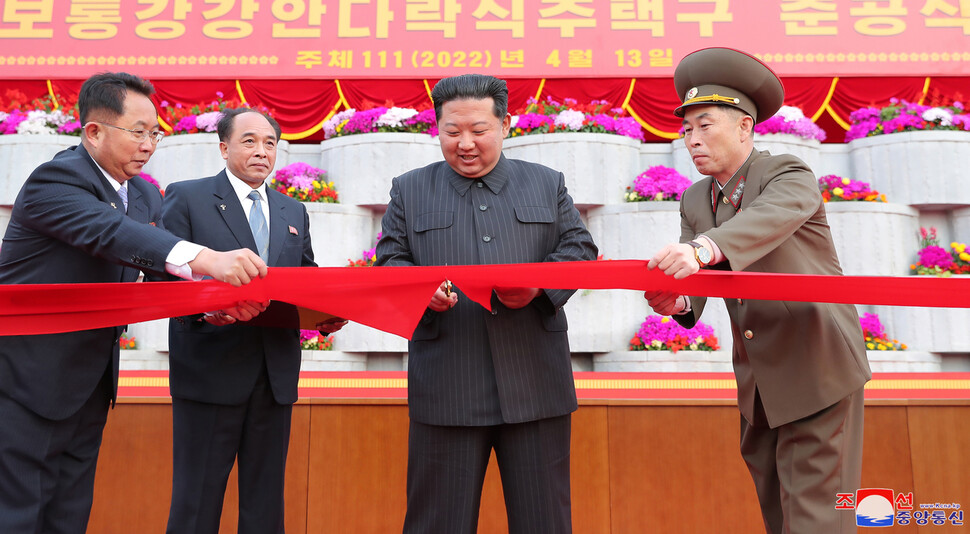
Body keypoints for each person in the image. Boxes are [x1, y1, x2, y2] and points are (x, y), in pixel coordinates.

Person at [0, 72, 268, 534]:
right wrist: (207, 257)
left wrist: (212, 303)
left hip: (89, 381)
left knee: (69, 510)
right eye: (137, 132)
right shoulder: (56, 180)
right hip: (27, 379)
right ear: (94, 132)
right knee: (19, 512)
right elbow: (112, 234)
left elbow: (158, 261)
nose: (149, 144)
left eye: (155, 133)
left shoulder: (142, 191)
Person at [644, 48, 872, 534]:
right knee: (777, 513)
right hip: (759, 383)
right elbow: (698, 278)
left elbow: (764, 221)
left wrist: (702, 250)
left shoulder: (787, 173)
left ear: (745, 126)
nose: (692, 140)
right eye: (686, 129)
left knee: (817, 518)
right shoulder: (694, 198)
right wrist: (680, 301)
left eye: (705, 125)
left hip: (817, 368)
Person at [376, 73, 598, 534]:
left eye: (478, 130)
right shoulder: (410, 188)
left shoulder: (545, 182)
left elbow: (579, 248)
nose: (465, 144)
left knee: (545, 523)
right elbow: (390, 261)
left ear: (505, 125)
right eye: (452, 132)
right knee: (436, 523)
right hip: (447, 387)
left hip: (536, 382)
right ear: (436, 129)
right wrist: (420, 290)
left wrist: (538, 288)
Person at [160, 108, 344, 534]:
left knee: (265, 508)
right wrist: (210, 309)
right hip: (209, 374)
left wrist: (327, 313)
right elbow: (162, 276)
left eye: (270, 143)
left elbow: (305, 277)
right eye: (249, 141)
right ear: (224, 148)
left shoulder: (293, 210)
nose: (261, 151)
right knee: (196, 505)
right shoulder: (186, 197)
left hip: (274, 377)